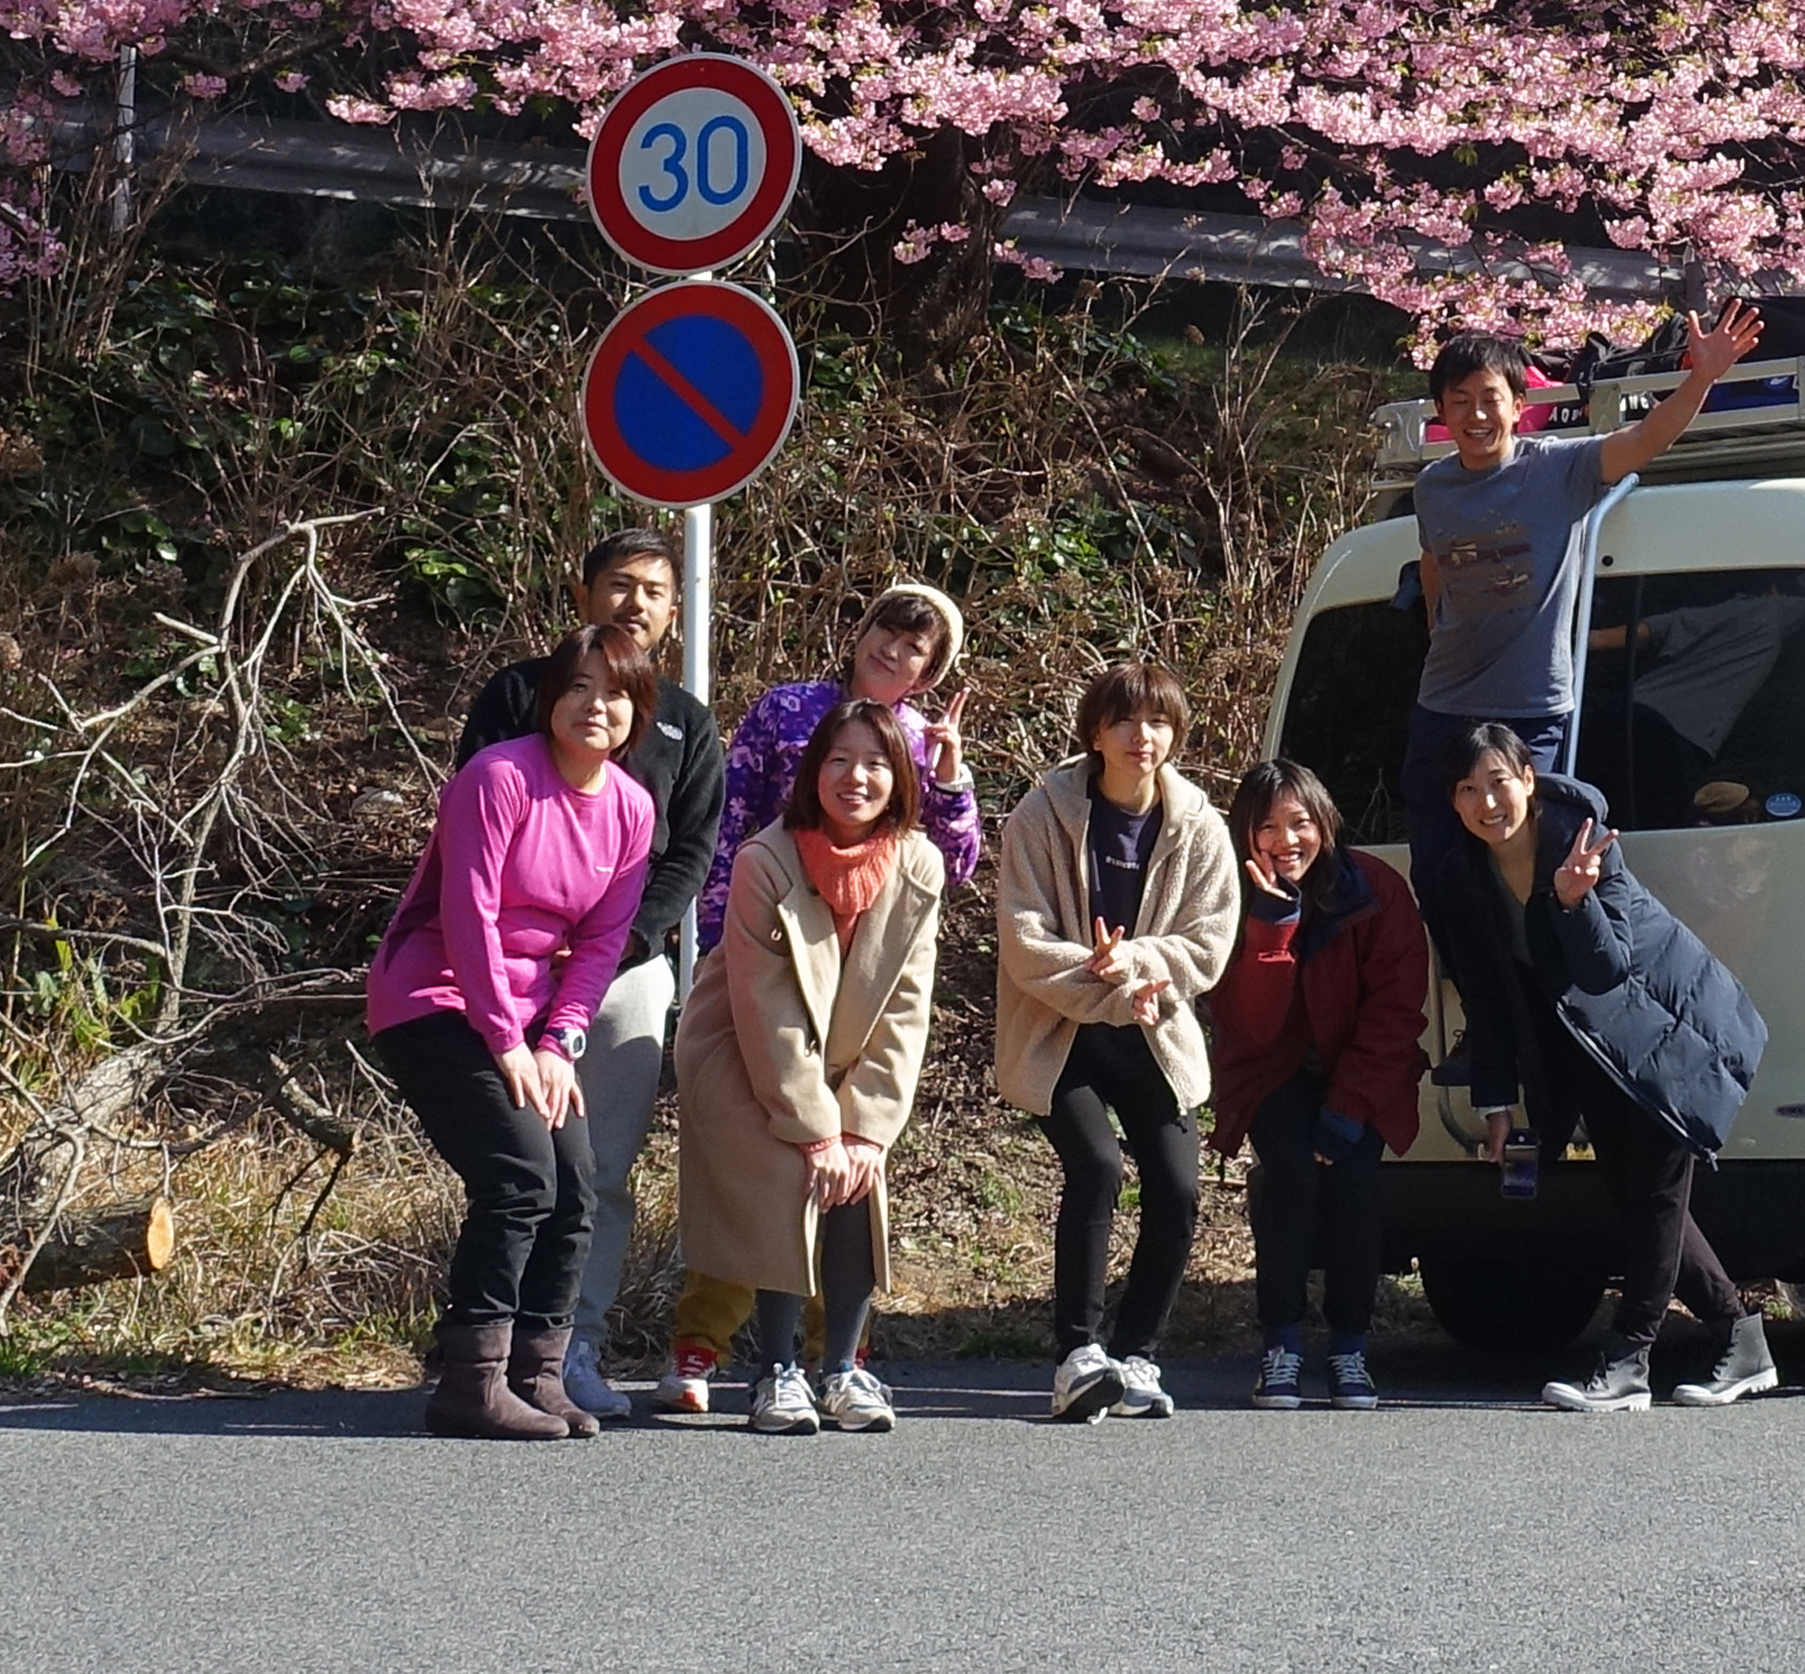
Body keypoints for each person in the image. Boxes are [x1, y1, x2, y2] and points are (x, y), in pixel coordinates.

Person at [1405, 308, 1764, 1116]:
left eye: (1488, 395)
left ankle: (1561, 1042)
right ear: (1442, 410)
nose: (1474, 413)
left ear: (1516, 402)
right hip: (1444, 706)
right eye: (1456, 399)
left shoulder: (1557, 471)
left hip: (1527, 713)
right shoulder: (1433, 486)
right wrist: (1436, 634)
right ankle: (1486, 1030)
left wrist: (1699, 375)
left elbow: (1642, 446)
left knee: (1541, 889)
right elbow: (1433, 569)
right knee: (1441, 874)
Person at [663, 577, 980, 1412]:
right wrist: (718, 922)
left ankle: (835, 1360)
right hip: (764, 943)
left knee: (847, 1171)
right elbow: (731, 819)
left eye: (916, 647)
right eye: (886, 630)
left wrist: (950, 779)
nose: (894, 651)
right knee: (763, 1169)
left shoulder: (919, 743)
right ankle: (709, 1349)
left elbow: (949, 865)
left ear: (930, 669)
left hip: (858, 974)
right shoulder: (788, 709)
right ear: (861, 628)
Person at [449, 527, 727, 1421]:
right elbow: (474, 824)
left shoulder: (685, 720)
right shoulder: (522, 693)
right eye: (618, 584)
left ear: (672, 609)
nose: (634, 603)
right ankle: (478, 1346)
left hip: (623, 970)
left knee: (599, 1165)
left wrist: (632, 943)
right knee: (509, 1159)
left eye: (653, 589)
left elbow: (690, 855)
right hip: (501, 964)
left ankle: (570, 1347)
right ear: (583, 593)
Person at [369, 616, 664, 1440]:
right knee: (518, 1175)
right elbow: (468, 914)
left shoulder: (632, 810)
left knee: (575, 1182)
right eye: (577, 687)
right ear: (548, 699)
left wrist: (558, 1041)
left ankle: (539, 1374)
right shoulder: (498, 778)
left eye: (614, 694)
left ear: (638, 712)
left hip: (533, 1018)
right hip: (434, 997)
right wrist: (505, 1042)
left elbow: (604, 941)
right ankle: (471, 1379)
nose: (594, 706)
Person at [1442, 717, 1782, 1414]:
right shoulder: (1464, 874)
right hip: (1592, 1052)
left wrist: (1571, 900)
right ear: (1454, 803)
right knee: (1639, 1200)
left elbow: (1606, 969)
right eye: (1470, 790)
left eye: (1499, 782)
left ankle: (1630, 1359)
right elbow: (1488, 995)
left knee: (1658, 1195)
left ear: (1528, 781)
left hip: (1666, 1031)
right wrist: (1496, 1102)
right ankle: (1741, 1341)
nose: (1487, 803)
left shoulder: (1583, 838)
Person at [990, 659, 1241, 1421]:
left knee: (1177, 1185)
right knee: (1096, 1165)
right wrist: (1108, 978)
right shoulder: (1043, 812)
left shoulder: (1199, 822)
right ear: (1095, 732)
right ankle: (1077, 1355)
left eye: (1160, 721)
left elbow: (1208, 943)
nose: (1144, 736)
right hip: (1059, 1036)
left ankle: (1137, 1356)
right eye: (1126, 721)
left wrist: (1138, 963)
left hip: (1153, 1033)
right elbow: (1026, 943)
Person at [1200, 755, 1433, 1410]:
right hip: (1271, 1069)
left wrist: (1349, 1105)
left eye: (1299, 823)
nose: (1286, 841)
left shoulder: (1378, 889)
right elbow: (1250, 1027)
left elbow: (1396, 1011)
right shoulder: (1230, 899)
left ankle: (1351, 1346)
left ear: (1325, 823)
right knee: (1293, 1177)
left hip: (1362, 1068)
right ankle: (1281, 1342)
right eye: (1267, 827)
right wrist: (1270, 929)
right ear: (1245, 834)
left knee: (1355, 1182)